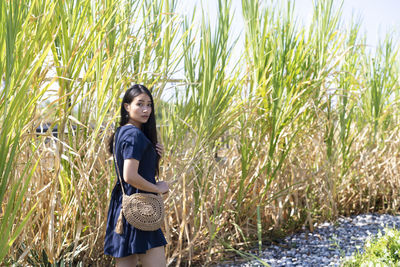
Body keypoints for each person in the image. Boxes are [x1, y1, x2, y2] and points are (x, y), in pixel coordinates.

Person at [104, 84, 169, 267]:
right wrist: (158, 188)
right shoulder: (134, 135)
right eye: (140, 104)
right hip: (140, 208)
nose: (146, 109)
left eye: (149, 104)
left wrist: (153, 155)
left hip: (122, 207)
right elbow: (129, 176)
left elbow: (134, 170)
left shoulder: (122, 132)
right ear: (127, 106)